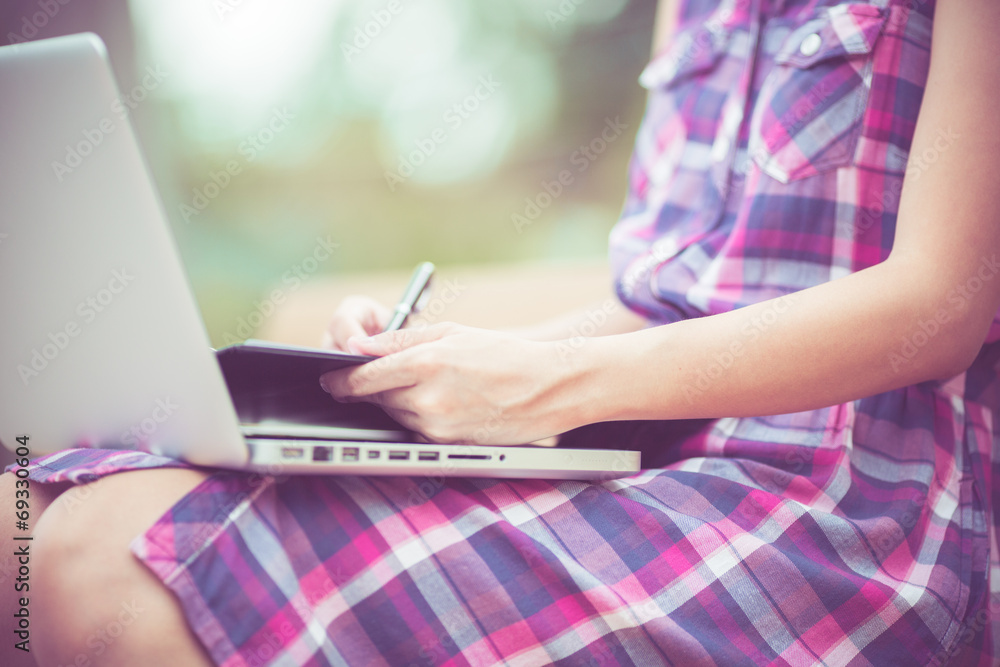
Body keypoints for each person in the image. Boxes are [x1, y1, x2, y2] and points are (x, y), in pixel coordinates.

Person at [3, 0, 998, 664]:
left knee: (104, 553)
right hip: (648, 466)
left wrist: (556, 385)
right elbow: (666, 291)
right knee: (23, 511)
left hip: (842, 518)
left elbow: (942, 306)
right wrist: (444, 357)